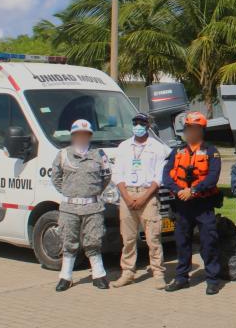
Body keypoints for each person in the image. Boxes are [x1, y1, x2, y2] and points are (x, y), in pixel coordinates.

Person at [161, 112, 223, 294]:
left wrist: (193, 190)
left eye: (195, 128)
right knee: (182, 242)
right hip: (182, 205)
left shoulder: (212, 151)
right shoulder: (177, 151)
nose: (191, 131)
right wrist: (179, 191)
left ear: (201, 130)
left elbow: (213, 177)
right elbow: (167, 174)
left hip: (203, 205)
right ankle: (181, 278)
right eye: (188, 128)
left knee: (208, 242)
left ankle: (212, 279)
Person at [51, 119, 112, 292]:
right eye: (78, 134)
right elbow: (56, 178)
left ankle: (99, 275)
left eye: (85, 134)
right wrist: (71, 192)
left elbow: (106, 177)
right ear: (73, 135)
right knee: (68, 241)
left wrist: (92, 192)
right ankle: (65, 277)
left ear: (90, 136)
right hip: (69, 208)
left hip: (92, 207)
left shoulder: (99, 155)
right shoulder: (63, 154)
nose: (82, 137)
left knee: (94, 240)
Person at [112, 113, 172, 289]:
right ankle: (128, 272)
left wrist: (144, 197)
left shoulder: (157, 147)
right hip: (127, 194)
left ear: (148, 126)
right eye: (135, 123)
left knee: (153, 237)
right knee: (128, 238)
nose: (138, 126)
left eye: (141, 123)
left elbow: (159, 176)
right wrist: (127, 196)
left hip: (148, 194)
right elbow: (117, 174)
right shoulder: (123, 146)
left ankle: (158, 273)